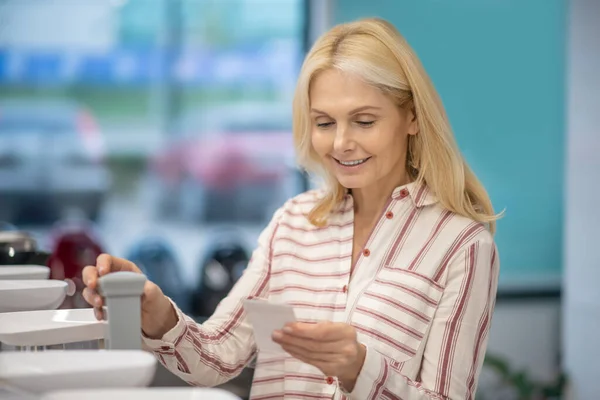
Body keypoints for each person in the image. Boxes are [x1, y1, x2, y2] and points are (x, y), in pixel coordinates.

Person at [82, 17, 500, 400]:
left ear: (411, 117)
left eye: (364, 121)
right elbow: (218, 355)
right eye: (324, 122)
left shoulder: (462, 245)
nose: (340, 143)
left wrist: (360, 368)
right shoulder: (293, 223)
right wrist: (157, 316)